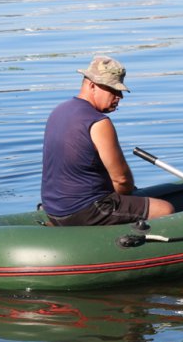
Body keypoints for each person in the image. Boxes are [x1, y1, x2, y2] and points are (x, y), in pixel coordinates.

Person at [41, 56, 174, 226]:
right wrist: (121, 197)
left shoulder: (58, 111)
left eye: (120, 90)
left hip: (54, 210)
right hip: (85, 211)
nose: (119, 96)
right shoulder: (98, 122)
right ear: (91, 85)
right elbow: (122, 180)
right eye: (113, 89)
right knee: (165, 209)